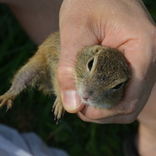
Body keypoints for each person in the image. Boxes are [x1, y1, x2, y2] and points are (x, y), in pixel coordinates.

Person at [0, 0, 156, 155]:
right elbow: (60, 72)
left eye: (116, 86)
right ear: (93, 52)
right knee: (31, 70)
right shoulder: (85, 55)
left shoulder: (113, 91)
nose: (90, 92)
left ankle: (151, 123)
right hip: (49, 56)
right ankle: (12, 91)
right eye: (90, 65)